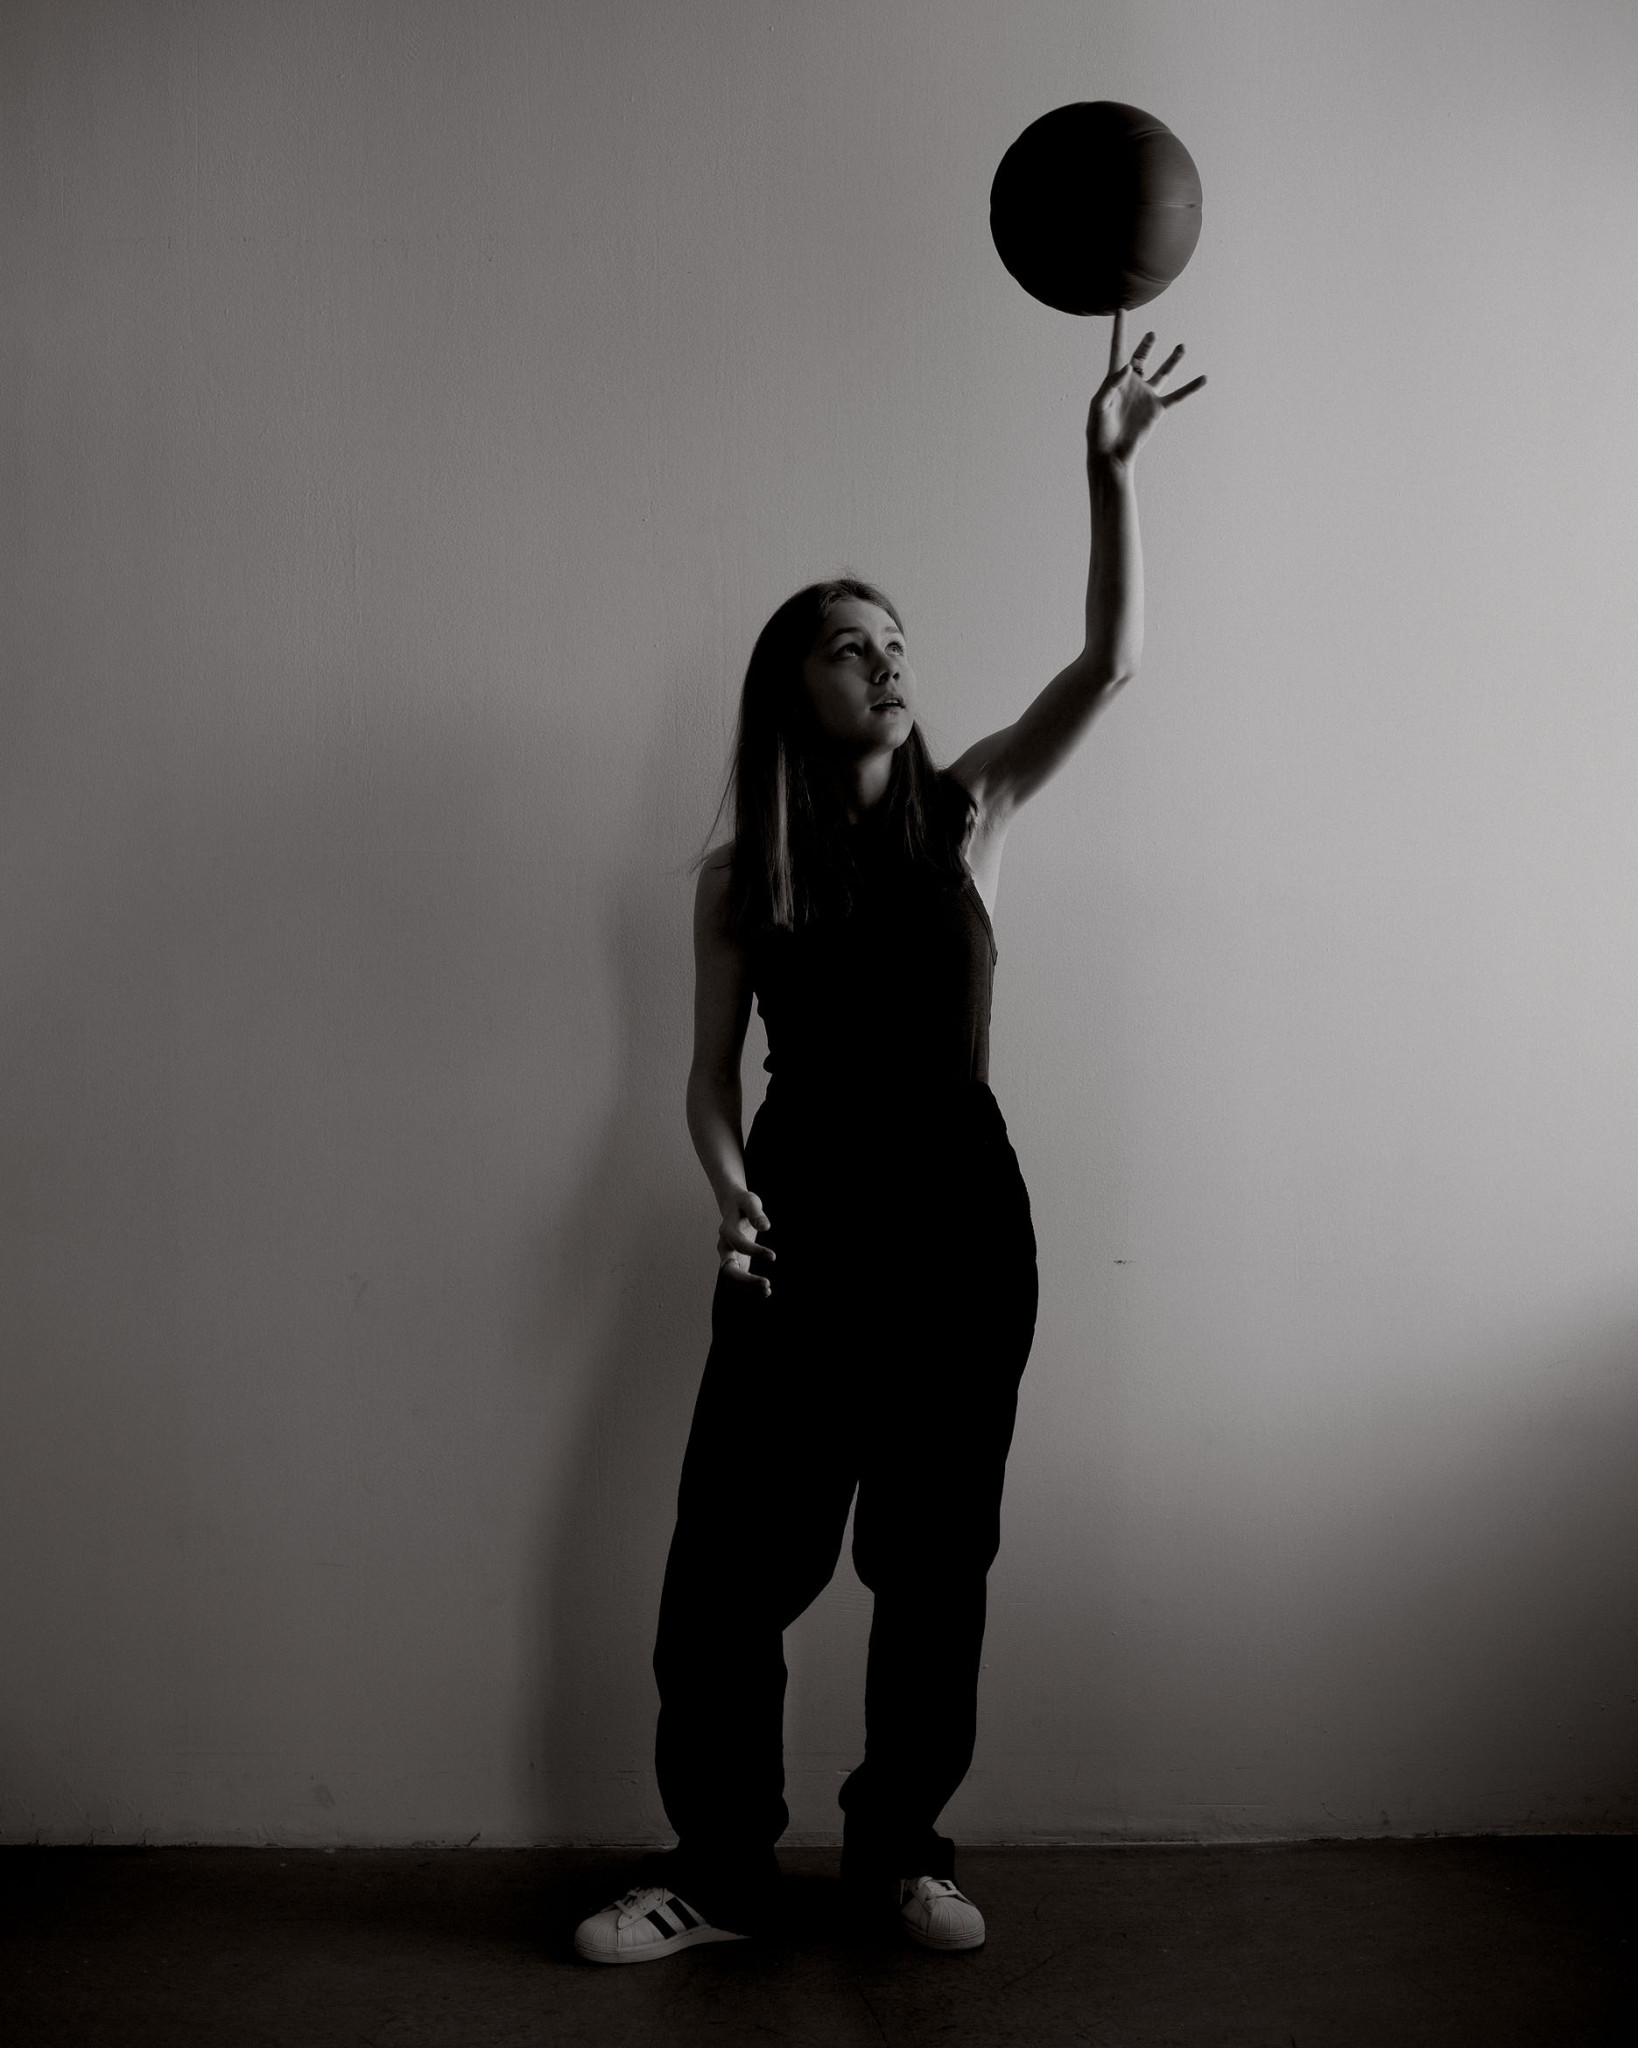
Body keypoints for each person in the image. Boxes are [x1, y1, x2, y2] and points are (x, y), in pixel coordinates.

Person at [575, 313, 1204, 1965]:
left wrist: (1109, 473)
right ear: (792, 684)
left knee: (933, 1566)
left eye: (896, 640)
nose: (885, 662)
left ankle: (897, 1857)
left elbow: (1107, 665)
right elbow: (706, 1078)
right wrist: (727, 1191)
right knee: (731, 1574)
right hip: (799, 1229)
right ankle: (718, 1875)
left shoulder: (970, 812)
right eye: (849, 645)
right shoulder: (741, 880)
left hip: (959, 1232)